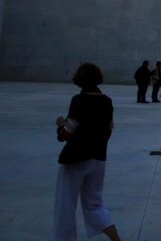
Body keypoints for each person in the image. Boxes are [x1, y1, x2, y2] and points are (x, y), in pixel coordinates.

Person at [54, 63, 122, 241]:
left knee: (66, 205)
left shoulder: (79, 100)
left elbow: (67, 133)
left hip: (75, 158)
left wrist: (61, 125)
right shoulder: (107, 101)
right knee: (95, 205)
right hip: (98, 157)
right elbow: (108, 131)